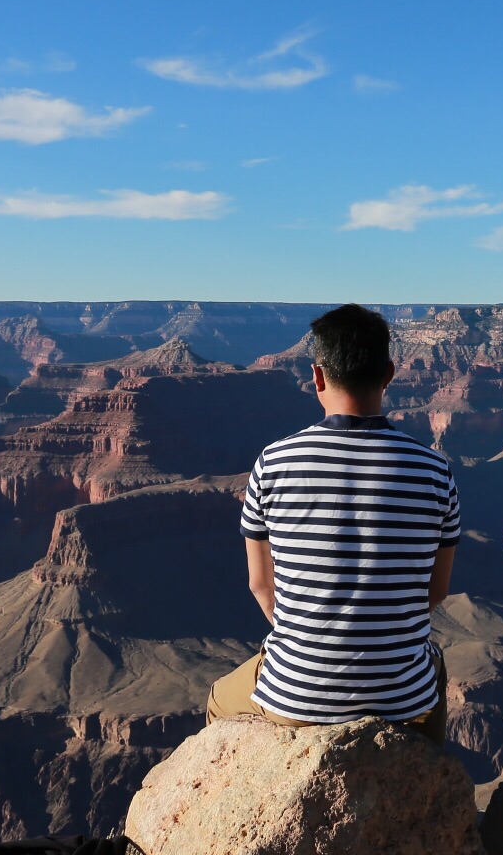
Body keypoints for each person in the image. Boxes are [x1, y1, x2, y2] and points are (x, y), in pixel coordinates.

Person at [205, 303, 460, 744]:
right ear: (389, 374)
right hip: (401, 700)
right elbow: (434, 593)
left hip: (295, 699)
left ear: (317, 377)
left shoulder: (273, 462)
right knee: (432, 668)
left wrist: (310, 643)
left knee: (216, 699)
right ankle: (427, 764)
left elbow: (261, 586)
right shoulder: (435, 471)